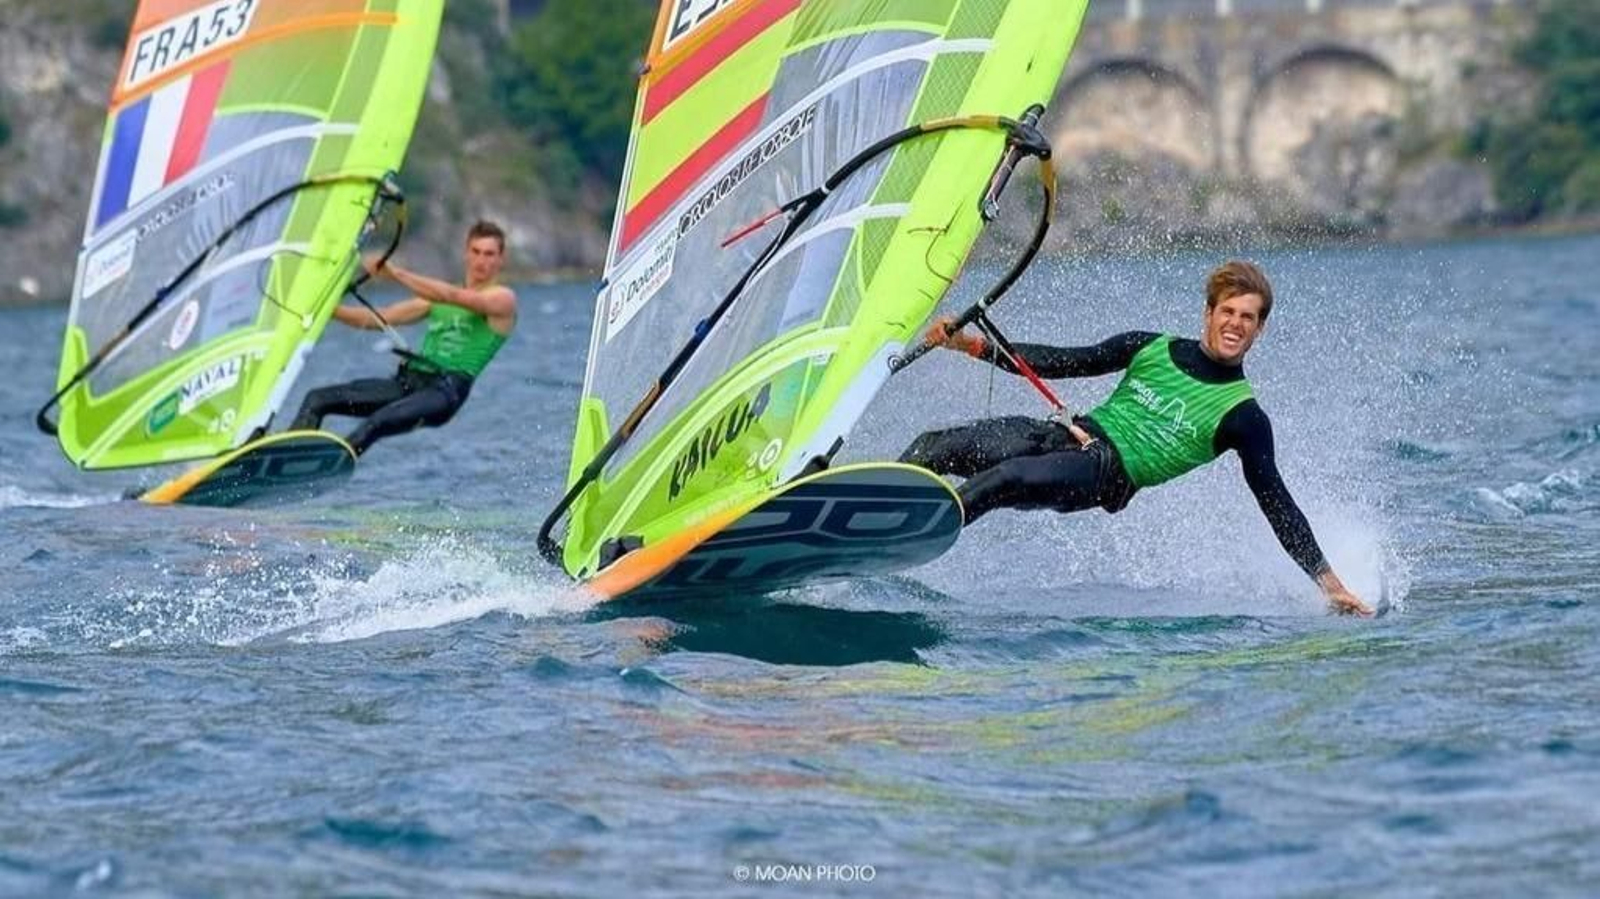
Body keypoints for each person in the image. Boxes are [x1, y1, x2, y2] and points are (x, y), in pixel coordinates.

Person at [900, 260, 1373, 616]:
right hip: (1064, 433)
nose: (1235, 323)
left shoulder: (1243, 417)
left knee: (1003, 479)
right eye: (1227, 311)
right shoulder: (1151, 347)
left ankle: (902, 536)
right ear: (1207, 313)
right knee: (935, 446)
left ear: (1260, 329)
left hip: (1105, 473)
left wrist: (1327, 582)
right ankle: (869, 503)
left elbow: (1278, 502)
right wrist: (973, 346)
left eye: (1248, 317)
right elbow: (1065, 361)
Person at [289, 220, 517, 456]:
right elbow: (381, 317)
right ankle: (287, 457)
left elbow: (452, 295)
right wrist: (326, 310)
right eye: (476, 252)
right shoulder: (435, 299)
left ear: (501, 259)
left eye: (490, 254)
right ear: (466, 254)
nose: (482, 260)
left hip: (444, 393)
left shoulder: (503, 299)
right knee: (317, 399)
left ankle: (323, 466)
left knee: (375, 424)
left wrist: (395, 273)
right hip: (408, 383)